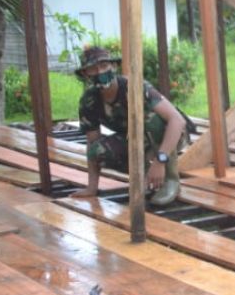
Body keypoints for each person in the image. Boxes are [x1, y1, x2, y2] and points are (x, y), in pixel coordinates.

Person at [72, 45, 190, 205]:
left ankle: (170, 179)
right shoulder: (89, 100)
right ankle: (145, 176)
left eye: (104, 66)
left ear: (113, 66)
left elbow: (177, 120)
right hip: (136, 139)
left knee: (151, 119)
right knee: (98, 150)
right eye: (93, 69)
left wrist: (160, 161)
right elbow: (93, 142)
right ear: (86, 74)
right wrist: (92, 188)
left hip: (170, 135)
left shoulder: (134, 87)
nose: (100, 72)